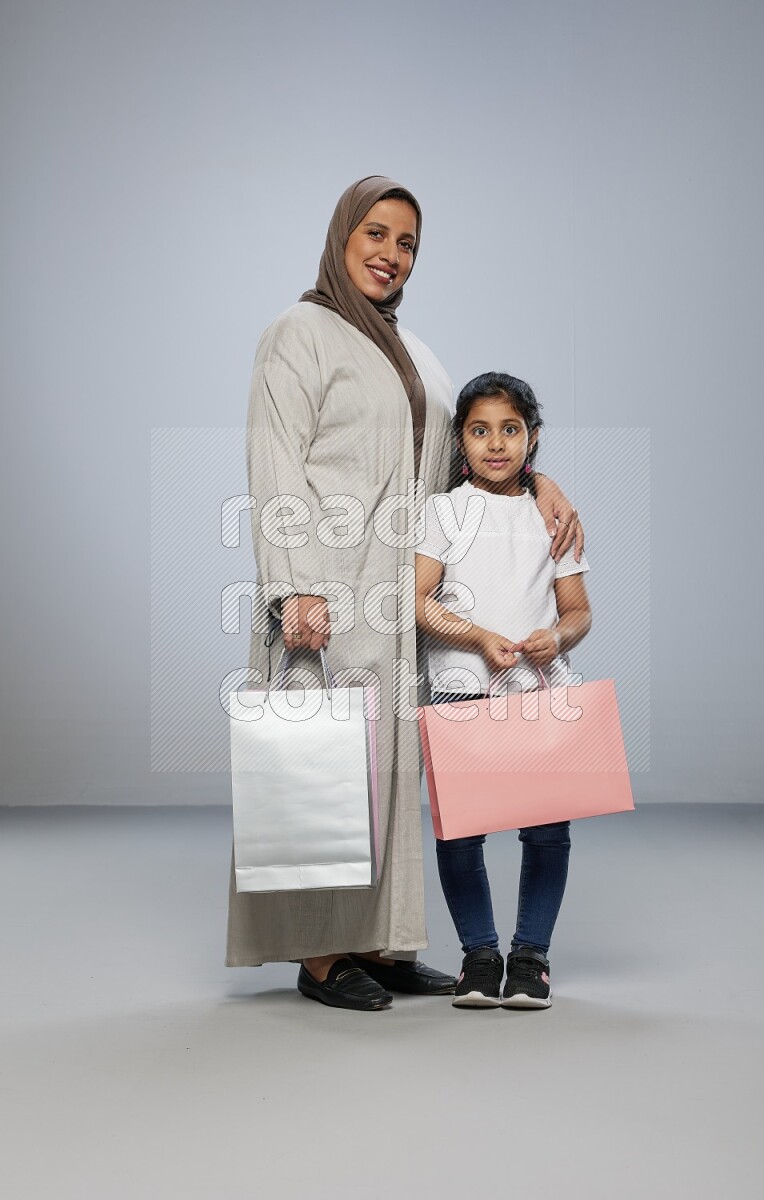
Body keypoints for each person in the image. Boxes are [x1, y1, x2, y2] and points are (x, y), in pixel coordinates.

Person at [226, 178, 584, 1012]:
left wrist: (540, 483)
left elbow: (473, 456)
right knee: (321, 774)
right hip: (326, 592)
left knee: (385, 780)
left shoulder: (417, 352)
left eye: (408, 243)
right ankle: (320, 954)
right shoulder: (297, 333)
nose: (392, 254)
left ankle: (372, 943)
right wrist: (293, 587)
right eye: (376, 233)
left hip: (402, 601)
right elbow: (274, 461)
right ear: (342, 237)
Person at [415, 371, 592, 1009]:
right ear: (461, 441)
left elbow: (578, 612)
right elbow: (418, 602)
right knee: (460, 833)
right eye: (480, 430)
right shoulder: (443, 512)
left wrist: (557, 637)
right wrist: (479, 636)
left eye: (510, 430)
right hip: (462, 691)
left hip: (538, 691)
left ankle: (531, 957)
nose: (496, 444)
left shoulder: (554, 518)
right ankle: (480, 956)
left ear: (532, 437)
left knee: (546, 830)